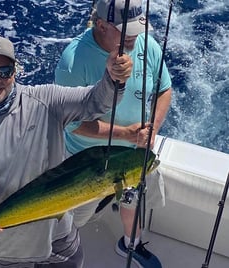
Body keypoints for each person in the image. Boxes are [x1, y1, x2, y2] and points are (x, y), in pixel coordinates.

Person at [0, 34, 132, 268]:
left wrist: (114, 79)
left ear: (15, 72)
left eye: (5, 71)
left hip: (57, 237)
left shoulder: (46, 100)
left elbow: (94, 102)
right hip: (3, 246)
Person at [55, 0, 172, 267]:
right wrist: (126, 134)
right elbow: (72, 124)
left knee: (133, 200)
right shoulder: (73, 62)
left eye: (136, 29)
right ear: (101, 25)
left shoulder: (145, 44)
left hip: (131, 154)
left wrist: (152, 127)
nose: (135, 37)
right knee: (75, 217)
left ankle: (131, 243)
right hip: (86, 160)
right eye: (126, 31)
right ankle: (59, 252)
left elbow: (165, 88)